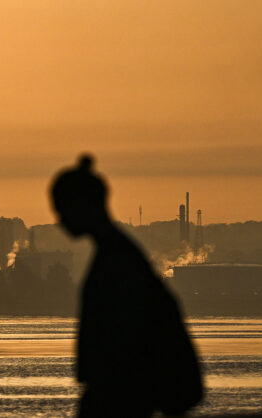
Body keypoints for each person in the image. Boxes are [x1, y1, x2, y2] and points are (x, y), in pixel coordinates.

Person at [50, 155, 203, 417]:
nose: (59, 220)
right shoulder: (122, 255)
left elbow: (125, 348)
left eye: (62, 209)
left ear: (84, 205)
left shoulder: (116, 263)